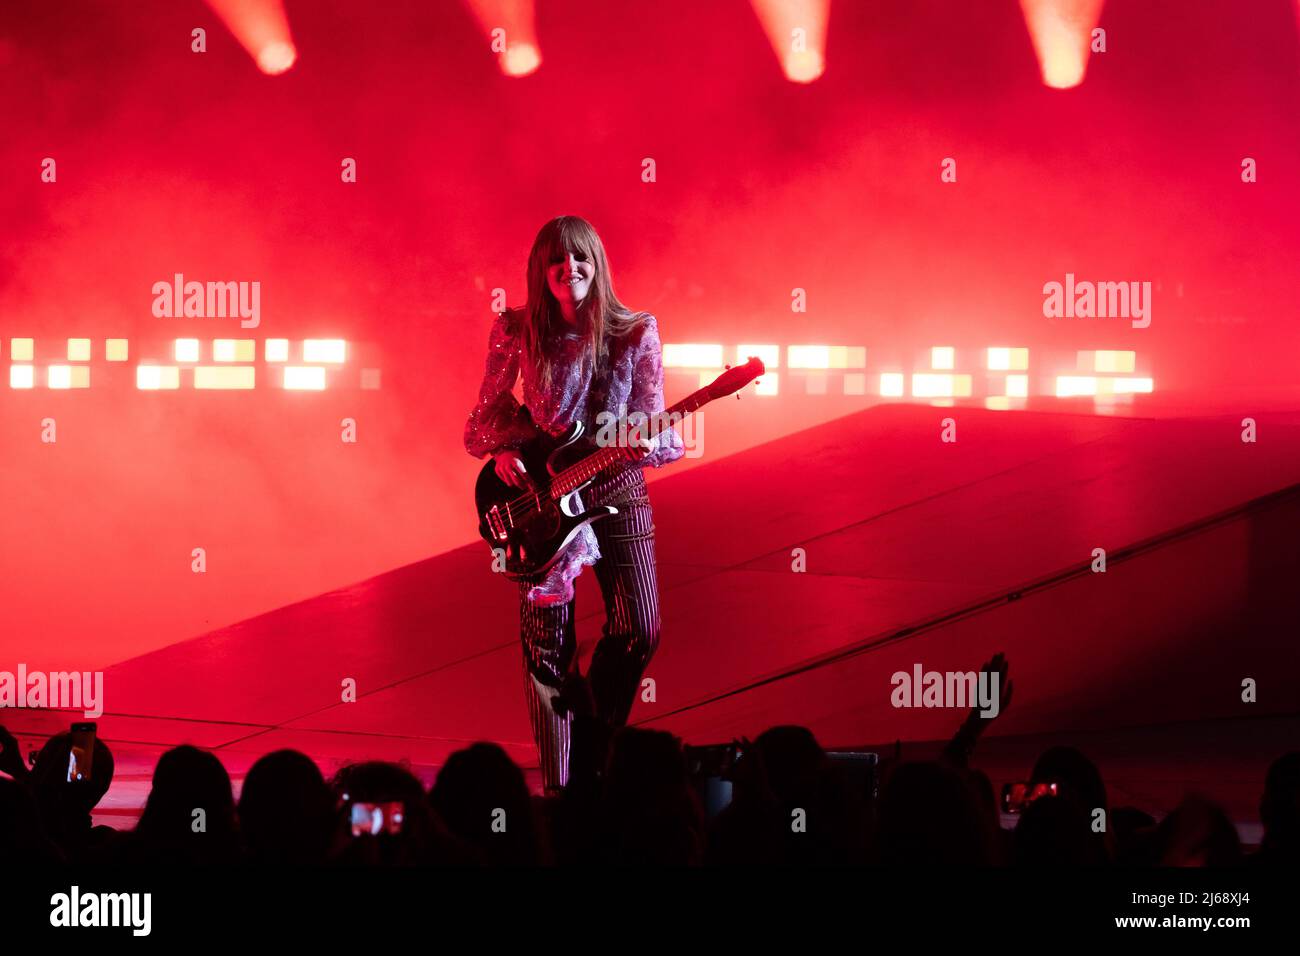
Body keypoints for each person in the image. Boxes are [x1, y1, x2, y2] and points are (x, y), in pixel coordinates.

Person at [464, 215, 684, 794]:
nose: (570, 268)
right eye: (556, 260)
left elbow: (652, 412)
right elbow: (486, 412)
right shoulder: (514, 330)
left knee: (641, 628)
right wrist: (506, 447)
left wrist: (641, 437)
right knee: (547, 650)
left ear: (597, 263)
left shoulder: (633, 332)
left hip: (615, 489)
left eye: (580, 256)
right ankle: (564, 790)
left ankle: (596, 741)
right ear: (541, 271)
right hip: (539, 502)